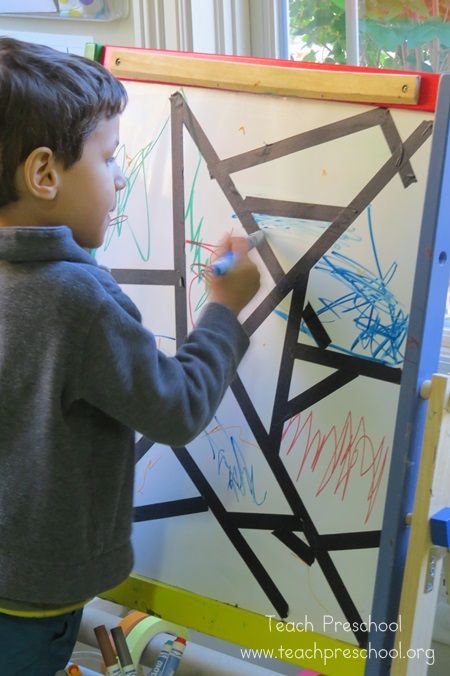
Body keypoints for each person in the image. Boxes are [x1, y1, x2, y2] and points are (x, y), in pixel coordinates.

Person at [0, 37, 260, 675]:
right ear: (43, 174)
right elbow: (177, 408)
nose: (121, 177)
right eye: (110, 158)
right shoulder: (77, 299)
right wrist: (224, 309)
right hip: (35, 597)